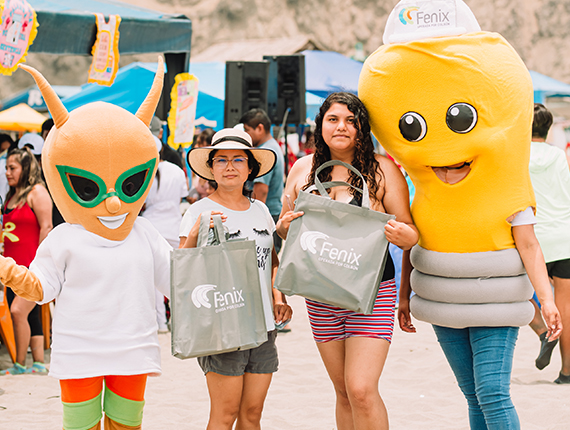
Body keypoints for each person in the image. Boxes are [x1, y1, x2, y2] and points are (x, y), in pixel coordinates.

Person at [276, 92, 419, 430]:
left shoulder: (382, 169)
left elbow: (411, 231)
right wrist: (283, 227)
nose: (342, 127)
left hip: (370, 292)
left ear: (362, 127)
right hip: (320, 293)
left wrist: (402, 234)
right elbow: (286, 228)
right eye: (333, 119)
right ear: (321, 125)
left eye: (351, 121)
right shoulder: (302, 169)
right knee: (342, 391)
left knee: (361, 389)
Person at [179, 128, 292, 430]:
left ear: (250, 168)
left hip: (264, 325)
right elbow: (181, 269)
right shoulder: (198, 211)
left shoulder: (261, 211)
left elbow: (272, 262)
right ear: (211, 168)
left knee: (252, 414)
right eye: (222, 160)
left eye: (238, 160)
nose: (229, 167)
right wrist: (195, 233)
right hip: (223, 325)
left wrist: (278, 298)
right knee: (225, 414)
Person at [1, 148, 53, 374]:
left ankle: (20, 364)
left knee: (18, 312)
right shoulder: (13, 195)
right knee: (30, 314)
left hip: (30, 267)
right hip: (12, 268)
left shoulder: (37, 192)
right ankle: (39, 362)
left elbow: (47, 227)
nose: (7, 173)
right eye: (6, 168)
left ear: (26, 168)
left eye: (12, 168)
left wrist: (39, 264)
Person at [528, 103, 570, 383]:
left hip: (533, 239)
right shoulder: (558, 155)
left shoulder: (517, 156)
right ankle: (567, 372)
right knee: (565, 307)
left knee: (516, 294)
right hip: (564, 235)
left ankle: (543, 331)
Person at [141, 136, 188, 332]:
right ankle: (181, 321)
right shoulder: (176, 170)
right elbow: (182, 195)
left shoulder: (144, 173)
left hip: (152, 226)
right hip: (175, 226)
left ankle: (161, 322)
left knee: (154, 278)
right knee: (178, 276)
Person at [240, 109, 285, 253]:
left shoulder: (265, 152)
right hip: (271, 215)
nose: (245, 135)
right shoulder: (273, 147)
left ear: (259, 128)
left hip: (265, 218)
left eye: (247, 130)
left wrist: (252, 220)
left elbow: (261, 191)